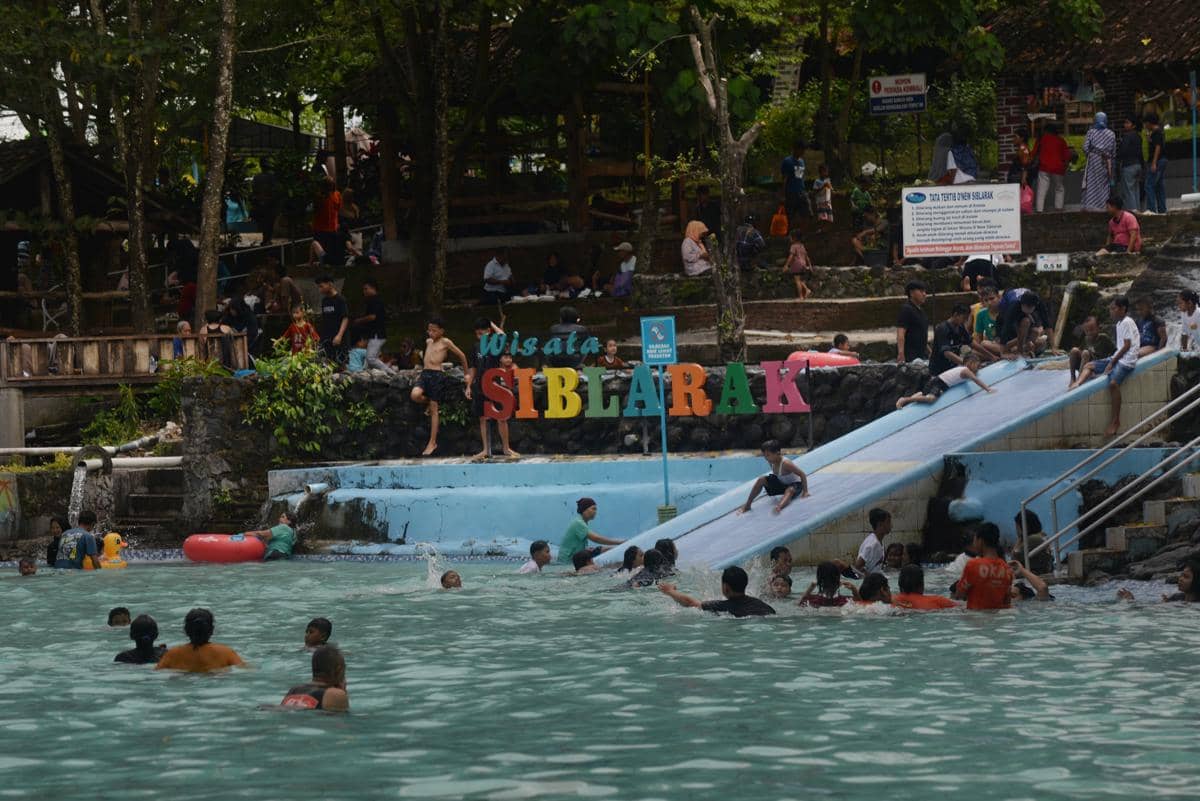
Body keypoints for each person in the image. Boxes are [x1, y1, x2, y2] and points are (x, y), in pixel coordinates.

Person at [1069, 295, 1140, 436]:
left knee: (1113, 384)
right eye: (1110, 308)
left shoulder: (1126, 322)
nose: (1111, 311)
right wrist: (1111, 361)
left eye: (1113, 308)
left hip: (1127, 361)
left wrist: (1111, 363)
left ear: (1123, 309)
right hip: (1117, 358)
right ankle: (1077, 383)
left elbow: (1126, 346)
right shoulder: (1119, 323)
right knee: (1089, 365)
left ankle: (1115, 421)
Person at [411, 315, 470, 457]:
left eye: (434, 331)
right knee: (415, 395)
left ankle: (432, 442)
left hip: (437, 376)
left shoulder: (446, 342)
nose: (431, 333)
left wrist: (466, 374)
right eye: (429, 330)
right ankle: (427, 404)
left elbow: (462, 356)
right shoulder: (428, 341)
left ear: (442, 331)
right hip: (425, 374)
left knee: (434, 408)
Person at [469, 317, 518, 460]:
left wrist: (491, 323)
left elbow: (503, 335)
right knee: (483, 418)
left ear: (489, 331)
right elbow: (473, 367)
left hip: (493, 383)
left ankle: (506, 448)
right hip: (479, 385)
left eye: (482, 333)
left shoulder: (495, 342)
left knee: (501, 417)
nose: (479, 336)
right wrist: (468, 385)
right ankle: (485, 449)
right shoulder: (475, 347)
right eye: (477, 334)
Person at [659, 566, 776, 617]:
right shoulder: (764, 606)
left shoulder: (722, 606)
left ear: (725, 587)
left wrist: (670, 591)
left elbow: (690, 603)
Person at [156, 608, 245, 672]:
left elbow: (156, 673)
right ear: (211, 630)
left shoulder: (172, 654)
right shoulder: (226, 652)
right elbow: (245, 670)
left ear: (186, 630)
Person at [896, 352, 995, 408]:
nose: (977, 368)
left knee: (925, 395)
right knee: (931, 399)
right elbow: (975, 380)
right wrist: (988, 389)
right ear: (969, 363)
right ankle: (905, 399)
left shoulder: (963, 368)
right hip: (939, 383)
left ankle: (917, 396)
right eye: (976, 365)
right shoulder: (966, 370)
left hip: (937, 381)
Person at [738, 439, 810, 515]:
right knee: (761, 479)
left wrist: (805, 492)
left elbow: (802, 474)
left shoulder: (786, 463)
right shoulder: (771, 461)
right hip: (782, 484)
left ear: (777, 453)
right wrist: (770, 485)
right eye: (764, 455)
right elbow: (777, 476)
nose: (766, 458)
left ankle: (779, 507)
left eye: (768, 455)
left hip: (795, 485)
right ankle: (748, 505)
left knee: (790, 490)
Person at [953, 523, 1014, 610]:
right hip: (998, 619)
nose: (974, 544)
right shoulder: (1007, 568)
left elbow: (959, 595)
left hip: (976, 618)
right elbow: (1007, 601)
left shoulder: (973, 564)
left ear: (980, 541)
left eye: (974, 540)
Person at [280, 646, 349, 711]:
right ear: (338, 669)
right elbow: (340, 722)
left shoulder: (294, 690)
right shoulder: (335, 694)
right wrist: (343, 692)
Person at [559, 498, 624, 565]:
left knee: (601, 550)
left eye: (596, 509)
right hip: (568, 560)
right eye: (593, 509)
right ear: (584, 510)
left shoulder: (582, 522)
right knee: (605, 552)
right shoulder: (578, 523)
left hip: (576, 557)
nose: (595, 512)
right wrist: (621, 542)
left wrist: (586, 549)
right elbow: (597, 539)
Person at [352, 280, 395, 372]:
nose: (364, 291)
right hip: (373, 334)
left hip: (377, 334)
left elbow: (372, 317)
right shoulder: (373, 300)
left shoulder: (375, 300)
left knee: (371, 358)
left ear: (373, 288)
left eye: (366, 289)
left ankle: (391, 373)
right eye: (363, 289)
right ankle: (365, 374)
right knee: (370, 359)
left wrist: (359, 320)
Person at [1119, 558, 1200, 603]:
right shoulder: (1176, 598)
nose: (1180, 579)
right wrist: (1132, 600)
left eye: (1186, 577)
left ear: (1196, 581)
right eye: (1181, 575)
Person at [1081, 113, 1117, 211]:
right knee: (1104, 183)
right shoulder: (1111, 134)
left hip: (1094, 160)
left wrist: (1091, 154)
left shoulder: (1091, 132)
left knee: (1092, 182)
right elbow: (1113, 152)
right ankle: (1103, 205)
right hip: (1106, 161)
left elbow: (1085, 148)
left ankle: (1091, 205)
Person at [1033, 122, 1070, 212]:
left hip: (1044, 167)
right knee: (1059, 188)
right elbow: (1067, 157)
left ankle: (1039, 209)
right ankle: (1058, 208)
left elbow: (1034, 153)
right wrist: (1064, 167)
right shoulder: (1061, 140)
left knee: (1041, 189)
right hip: (1058, 168)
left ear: (1046, 130)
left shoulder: (1041, 139)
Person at [1068, 315, 1115, 383]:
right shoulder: (1086, 339)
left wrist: (1110, 364)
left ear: (1098, 328)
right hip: (1087, 365)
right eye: (1087, 331)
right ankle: (1073, 378)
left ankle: (1079, 379)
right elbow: (1081, 352)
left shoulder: (1103, 338)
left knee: (1085, 353)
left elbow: (1114, 351)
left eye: (1092, 330)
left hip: (1096, 365)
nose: (1089, 333)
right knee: (1074, 350)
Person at [929, 304, 973, 375]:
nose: (965, 321)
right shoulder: (943, 329)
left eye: (967, 318)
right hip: (939, 370)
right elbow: (947, 353)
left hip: (953, 367)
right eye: (964, 318)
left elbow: (971, 342)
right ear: (955, 315)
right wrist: (965, 363)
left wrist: (991, 355)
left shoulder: (960, 327)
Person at [315, 275, 349, 364]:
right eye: (319, 287)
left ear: (330, 284)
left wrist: (339, 336)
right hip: (327, 337)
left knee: (341, 363)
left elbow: (345, 318)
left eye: (321, 286)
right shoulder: (324, 301)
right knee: (326, 361)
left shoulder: (340, 299)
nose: (320, 289)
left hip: (339, 337)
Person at [891, 565, 957, 610]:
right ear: (921, 585)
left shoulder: (890, 600)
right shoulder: (938, 601)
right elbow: (962, 608)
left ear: (900, 584)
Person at [896, 281, 929, 364]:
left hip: (921, 355)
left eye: (925, 292)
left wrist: (930, 351)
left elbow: (922, 334)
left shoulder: (921, 311)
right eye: (921, 291)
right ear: (911, 293)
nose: (924, 294)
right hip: (910, 356)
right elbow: (901, 332)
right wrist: (901, 353)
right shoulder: (906, 309)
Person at [312, 176, 343, 267]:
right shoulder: (319, 196)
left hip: (333, 227)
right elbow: (315, 210)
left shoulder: (337, 194)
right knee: (320, 249)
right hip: (320, 228)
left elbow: (338, 208)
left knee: (331, 250)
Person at [1116, 115, 1144, 213]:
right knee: (1136, 190)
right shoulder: (1139, 137)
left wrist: (1116, 156)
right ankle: (1138, 210)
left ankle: (1133, 212)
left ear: (1133, 125)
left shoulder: (1127, 136)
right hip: (1138, 165)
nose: (1125, 125)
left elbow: (1123, 150)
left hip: (1128, 165)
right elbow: (1141, 153)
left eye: (1127, 123)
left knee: (1128, 191)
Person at [1013, 509, 1053, 575]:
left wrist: (1020, 538)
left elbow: (1015, 559)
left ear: (1023, 526)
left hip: (1036, 573)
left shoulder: (1033, 539)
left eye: (1017, 526)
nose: (1016, 529)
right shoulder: (1040, 536)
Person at [1143, 112, 1167, 214]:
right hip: (1162, 160)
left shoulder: (1157, 132)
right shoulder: (1158, 132)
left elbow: (1158, 147)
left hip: (1158, 161)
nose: (1145, 126)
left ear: (1149, 123)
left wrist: (1154, 163)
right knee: (1159, 186)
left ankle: (1151, 209)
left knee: (1149, 185)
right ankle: (1162, 209)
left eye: (1145, 123)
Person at [855, 509, 892, 575]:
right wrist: (870, 579)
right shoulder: (872, 544)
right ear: (880, 524)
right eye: (888, 522)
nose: (891, 525)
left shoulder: (879, 541)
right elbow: (858, 566)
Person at [781, 143, 810, 222]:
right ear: (796, 149)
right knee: (790, 216)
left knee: (807, 213)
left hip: (801, 191)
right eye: (801, 150)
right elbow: (785, 179)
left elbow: (799, 177)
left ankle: (802, 232)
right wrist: (783, 195)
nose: (803, 152)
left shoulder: (801, 161)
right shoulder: (787, 161)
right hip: (791, 193)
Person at [783, 229, 812, 300]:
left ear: (794, 238)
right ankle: (806, 290)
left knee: (797, 280)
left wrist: (786, 265)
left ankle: (801, 296)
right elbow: (806, 256)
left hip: (797, 264)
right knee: (800, 280)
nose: (789, 239)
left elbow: (791, 256)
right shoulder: (802, 246)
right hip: (803, 264)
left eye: (790, 237)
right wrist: (810, 265)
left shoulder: (793, 246)